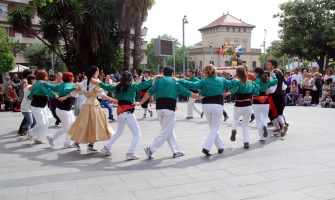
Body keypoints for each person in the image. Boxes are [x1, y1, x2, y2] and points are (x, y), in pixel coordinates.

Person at [139, 66, 203, 159]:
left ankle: (176, 151)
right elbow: (186, 92)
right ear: (172, 74)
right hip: (169, 109)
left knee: (169, 131)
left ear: (163, 73)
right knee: (166, 131)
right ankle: (151, 149)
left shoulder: (158, 81)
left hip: (159, 109)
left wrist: (140, 102)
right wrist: (198, 97)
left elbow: (149, 91)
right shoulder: (174, 81)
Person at [98, 72, 163, 160]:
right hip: (128, 113)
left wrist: (96, 82)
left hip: (120, 112)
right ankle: (131, 152)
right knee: (137, 134)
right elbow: (144, 84)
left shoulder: (116, 86)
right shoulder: (132, 86)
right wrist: (155, 77)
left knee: (119, 131)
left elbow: (106, 86)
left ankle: (107, 147)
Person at [175, 64, 234, 156]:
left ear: (206, 72)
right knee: (214, 128)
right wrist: (242, 80)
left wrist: (179, 80)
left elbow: (193, 85)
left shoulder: (203, 81)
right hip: (217, 104)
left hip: (206, 104)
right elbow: (232, 83)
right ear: (215, 71)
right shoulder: (221, 80)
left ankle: (220, 147)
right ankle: (206, 147)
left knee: (212, 127)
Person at [67, 65, 114, 153]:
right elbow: (101, 95)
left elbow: (75, 91)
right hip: (94, 105)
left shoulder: (85, 82)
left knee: (84, 123)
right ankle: (90, 146)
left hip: (86, 105)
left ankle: (77, 142)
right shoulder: (96, 82)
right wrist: (112, 99)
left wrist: (65, 96)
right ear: (95, 72)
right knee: (95, 124)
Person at [42, 72, 81, 148]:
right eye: (72, 77)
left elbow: (51, 87)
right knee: (66, 127)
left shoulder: (61, 84)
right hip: (63, 110)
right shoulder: (67, 84)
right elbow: (66, 90)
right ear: (70, 78)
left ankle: (67, 142)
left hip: (65, 109)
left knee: (71, 125)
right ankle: (51, 137)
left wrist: (44, 83)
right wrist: (74, 88)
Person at [224, 67, 259, 149]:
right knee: (245, 125)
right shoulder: (250, 83)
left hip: (238, 105)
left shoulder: (238, 83)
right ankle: (246, 142)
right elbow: (256, 93)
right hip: (248, 106)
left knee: (235, 118)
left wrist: (227, 94)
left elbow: (233, 90)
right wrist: (255, 85)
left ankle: (234, 129)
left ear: (237, 73)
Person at [28, 70, 59, 144]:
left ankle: (39, 138)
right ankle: (31, 132)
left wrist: (29, 97)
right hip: (37, 106)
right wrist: (55, 96)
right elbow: (47, 91)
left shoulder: (36, 83)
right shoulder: (41, 84)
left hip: (41, 106)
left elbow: (32, 92)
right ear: (44, 76)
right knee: (42, 123)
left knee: (46, 123)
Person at [252, 67, 277, 143]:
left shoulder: (257, 80)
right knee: (265, 116)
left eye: (254, 72)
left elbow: (256, 90)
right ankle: (265, 126)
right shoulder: (267, 79)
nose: (254, 74)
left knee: (258, 120)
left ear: (257, 73)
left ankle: (262, 137)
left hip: (257, 100)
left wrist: (253, 86)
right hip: (265, 100)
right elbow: (275, 82)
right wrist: (274, 76)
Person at [18, 69, 33, 135]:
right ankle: (21, 130)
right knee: (26, 117)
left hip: (25, 99)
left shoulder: (24, 80)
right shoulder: (25, 81)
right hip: (24, 99)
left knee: (26, 117)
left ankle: (23, 129)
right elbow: (25, 88)